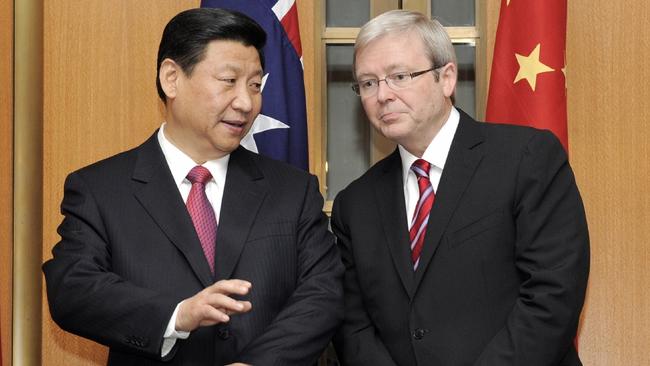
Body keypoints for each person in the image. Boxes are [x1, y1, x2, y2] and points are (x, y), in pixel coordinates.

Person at [43, 8, 343, 366]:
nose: (246, 103)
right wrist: (176, 315)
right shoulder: (100, 189)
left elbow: (323, 292)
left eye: (255, 85)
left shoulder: (293, 190)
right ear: (172, 78)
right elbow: (73, 289)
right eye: (229, 81)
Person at [331, 10, 589, 366]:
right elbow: (353, 327)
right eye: (368, 83)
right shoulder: (354, 205)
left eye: (399, 76)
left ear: (446, 77)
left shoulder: (526, 158)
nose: (383, 95)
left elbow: (552, 295)